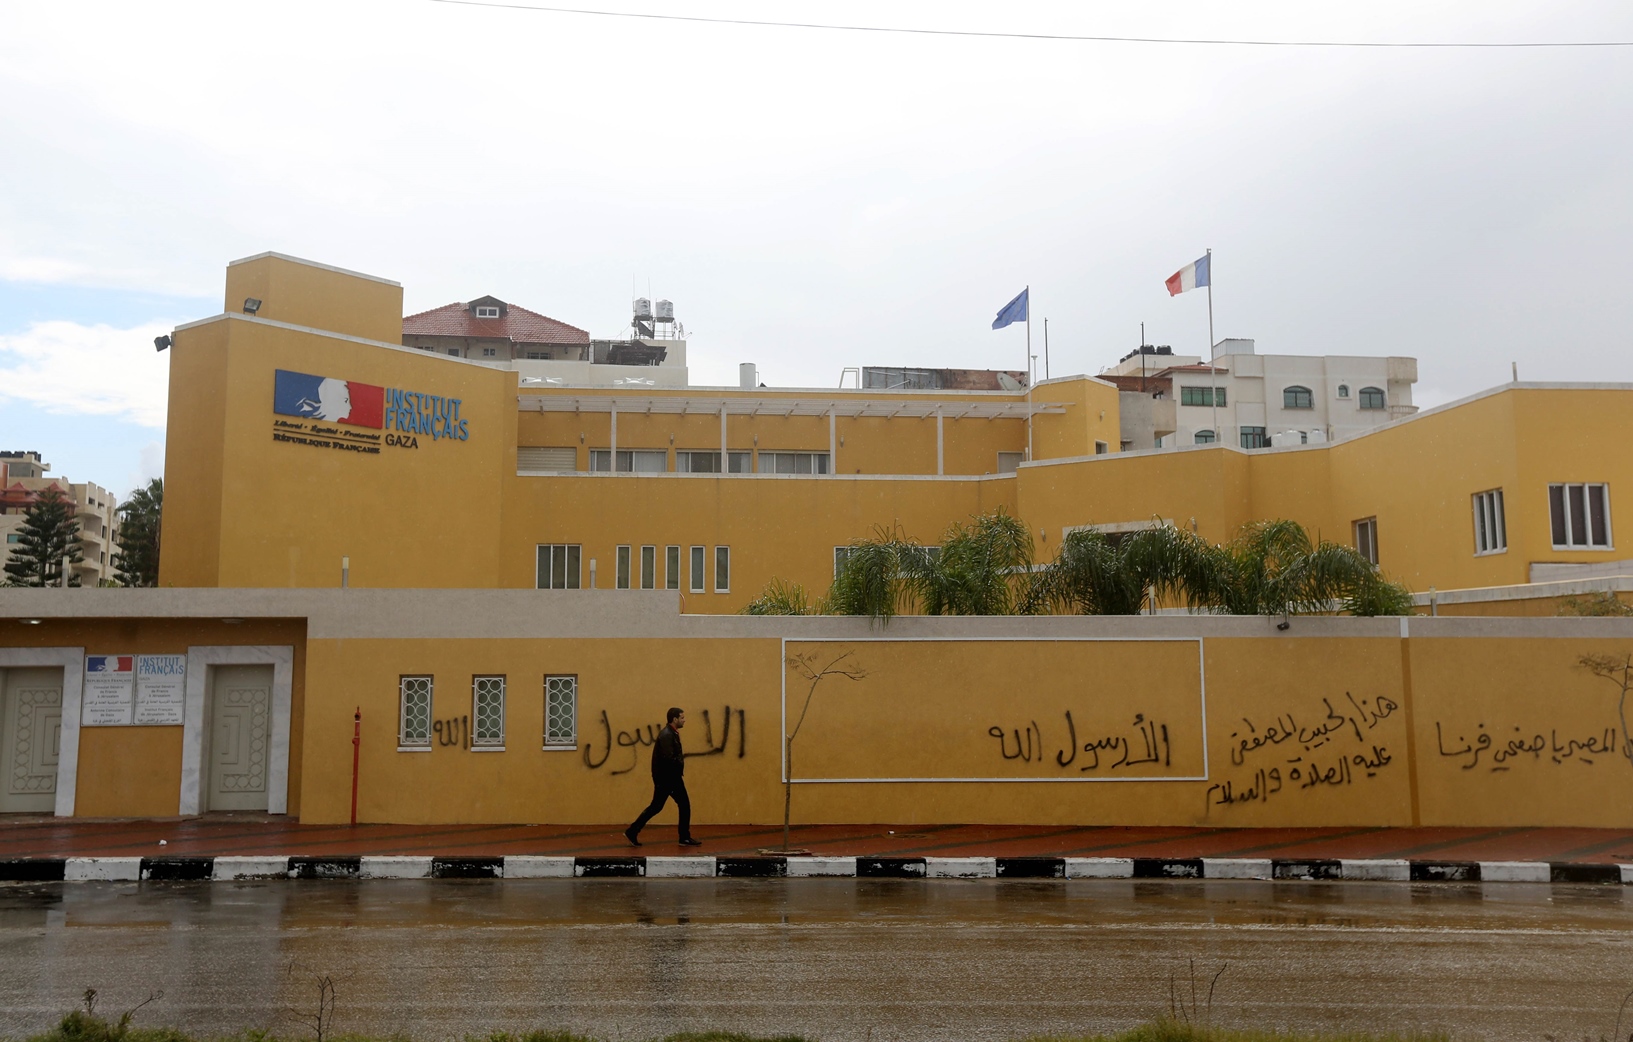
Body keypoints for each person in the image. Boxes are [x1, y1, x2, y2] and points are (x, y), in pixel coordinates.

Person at [625, 707, 701, 847]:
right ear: (675, 719)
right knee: (684, 805)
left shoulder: (671, 733)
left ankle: (633, 830)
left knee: (656, 806)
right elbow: (668, 758)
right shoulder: (667, 735)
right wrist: (677, 770)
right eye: (682, 717)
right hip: (669, 778)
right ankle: (684, 837)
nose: (684, 720)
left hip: (667, 778)